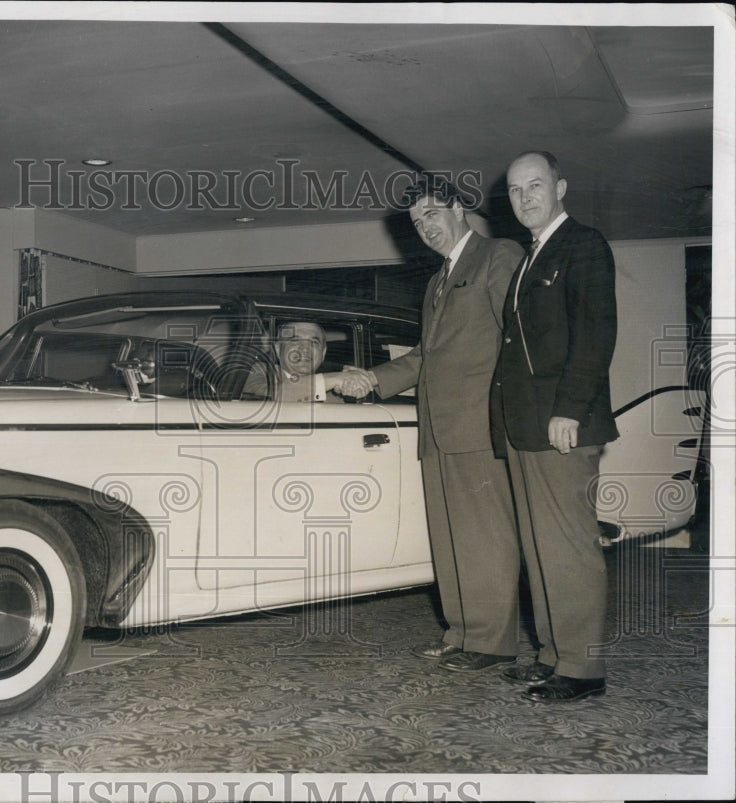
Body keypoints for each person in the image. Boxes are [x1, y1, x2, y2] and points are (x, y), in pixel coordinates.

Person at [340, 180, 524, 672]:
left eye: (432, 214)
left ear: (460, 209)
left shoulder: (497, 256)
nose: (425, 227)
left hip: (479, 427)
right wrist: (373, 380)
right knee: (449, 539)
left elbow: (519, 336)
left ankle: (492, 641)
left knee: (486, 538)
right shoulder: (437, 280)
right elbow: (427, 356)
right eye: (417, 222)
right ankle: (462, 633)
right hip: (438, 430)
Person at [491, 151, 618, 702]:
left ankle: (583, 670)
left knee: (568, 549)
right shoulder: (529, 257)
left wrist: (568, 407)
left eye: (535, 185)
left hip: (562, 424)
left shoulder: (583, 245)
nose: (525, 198)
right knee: (541, 548)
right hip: (527, 428)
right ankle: (551, 655)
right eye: (516, 190)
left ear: (561, 186)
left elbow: (594, 336)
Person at [242, 321, 344, 403]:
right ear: (278, 350)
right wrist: (335, 379)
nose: (305, 348)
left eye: (313, 342)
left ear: (323, 353)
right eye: (294, 340)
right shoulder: (257, 371)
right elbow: (266, 397)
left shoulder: (334, 399)